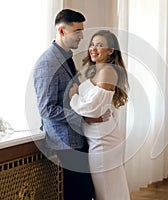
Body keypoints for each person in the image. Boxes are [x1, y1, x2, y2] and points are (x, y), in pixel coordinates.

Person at [33, 9, 109, 200]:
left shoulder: (66, 56)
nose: (82, 36)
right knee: (79, 195)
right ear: (61, 31)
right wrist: (85, 117)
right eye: (77, 31)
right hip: (65, 143)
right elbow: (46, 109)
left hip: (77, 138)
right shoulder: (47, 63)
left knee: (86, 193)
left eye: (81, 31)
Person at [69, 30, 130, 200]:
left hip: (103, 141)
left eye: (100, 45)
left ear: (110, 51)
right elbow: (95, 108)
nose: (93, 48)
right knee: (109, 188)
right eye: (92, 44)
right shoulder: (95, 70)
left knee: (105, 191)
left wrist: (74, 97)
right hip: (97, 136)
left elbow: (94, 111)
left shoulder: (108, 72)